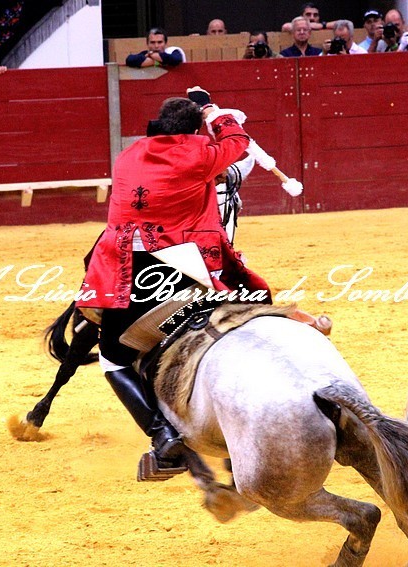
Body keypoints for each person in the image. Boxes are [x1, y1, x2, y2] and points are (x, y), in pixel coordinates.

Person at [76, 96, 269, 478]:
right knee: (254, 304)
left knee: (113, 357)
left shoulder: (127, 156)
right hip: (190, 277)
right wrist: (216, 116)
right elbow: (238, 142)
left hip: (129, 278)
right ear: (194, 129)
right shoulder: (200, 154)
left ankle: (163, 437)